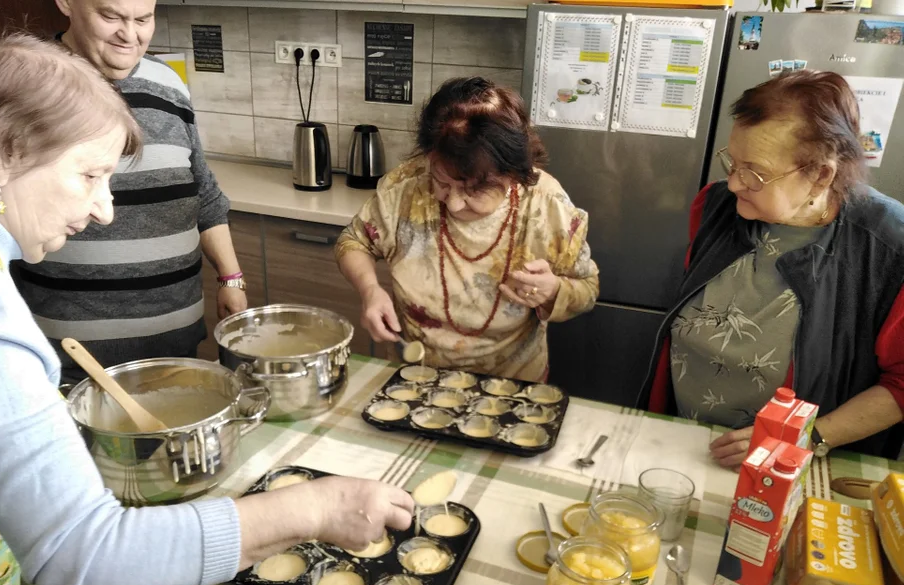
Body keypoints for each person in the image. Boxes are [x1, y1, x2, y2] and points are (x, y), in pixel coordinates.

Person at [0, 34, 413, 585]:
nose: (103, 208)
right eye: (88, 175)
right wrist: (314, 510)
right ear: (1, 152)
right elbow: (80, 550)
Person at [639, 70, 904, 466]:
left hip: (796, 466)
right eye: (733, 162)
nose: (733, 184)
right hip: (684, 443)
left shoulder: (887, 246)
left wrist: (804, 438)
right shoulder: (715, 207)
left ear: (820, 175)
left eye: (755, 173)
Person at [10, 0, 248, 384]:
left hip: (176, 344)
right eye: (111, 16)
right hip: (73, 358)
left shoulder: (168, 81)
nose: (130, 35)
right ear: (67, 3)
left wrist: (230, 276)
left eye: (143, 19)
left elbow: (200, 188)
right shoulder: (25, 82)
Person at [336, 77, 599, 381]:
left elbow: (587, 290)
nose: (455, 204)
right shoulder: (406, 188)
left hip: (510, 385)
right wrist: (370, 290)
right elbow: (353, 241)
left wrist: (553, 290)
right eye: (443, 183)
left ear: (512, 175)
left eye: (474, 190)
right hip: (415, 378)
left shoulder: (546, 205)